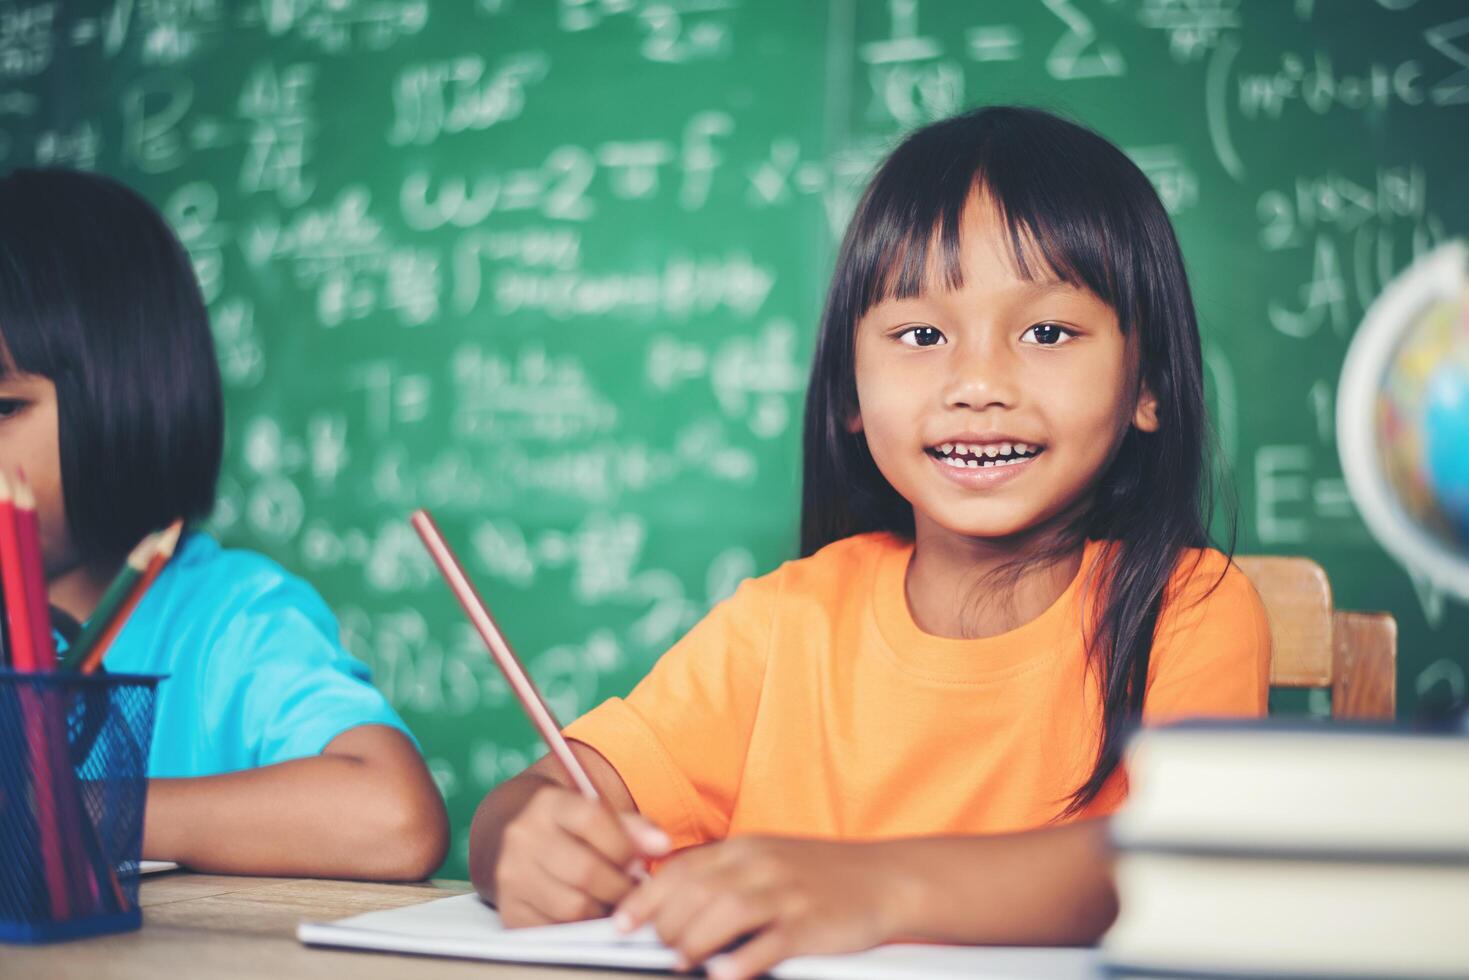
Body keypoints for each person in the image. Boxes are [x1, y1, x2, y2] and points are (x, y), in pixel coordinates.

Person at [470, 105, 1272, 978]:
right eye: (919, 335)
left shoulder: (1186, 609)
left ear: (1146, 385)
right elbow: (536, 802)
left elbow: (1183, 858)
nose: (975, 383)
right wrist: (527, 842)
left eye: (1046, 332)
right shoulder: (781, 625)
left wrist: (872, 890)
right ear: (851, 392)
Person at [0, 167, 448, 880]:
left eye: (4, 410)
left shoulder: (231, 621)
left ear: (127, 397)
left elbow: (393, 818)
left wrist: (53, 812)